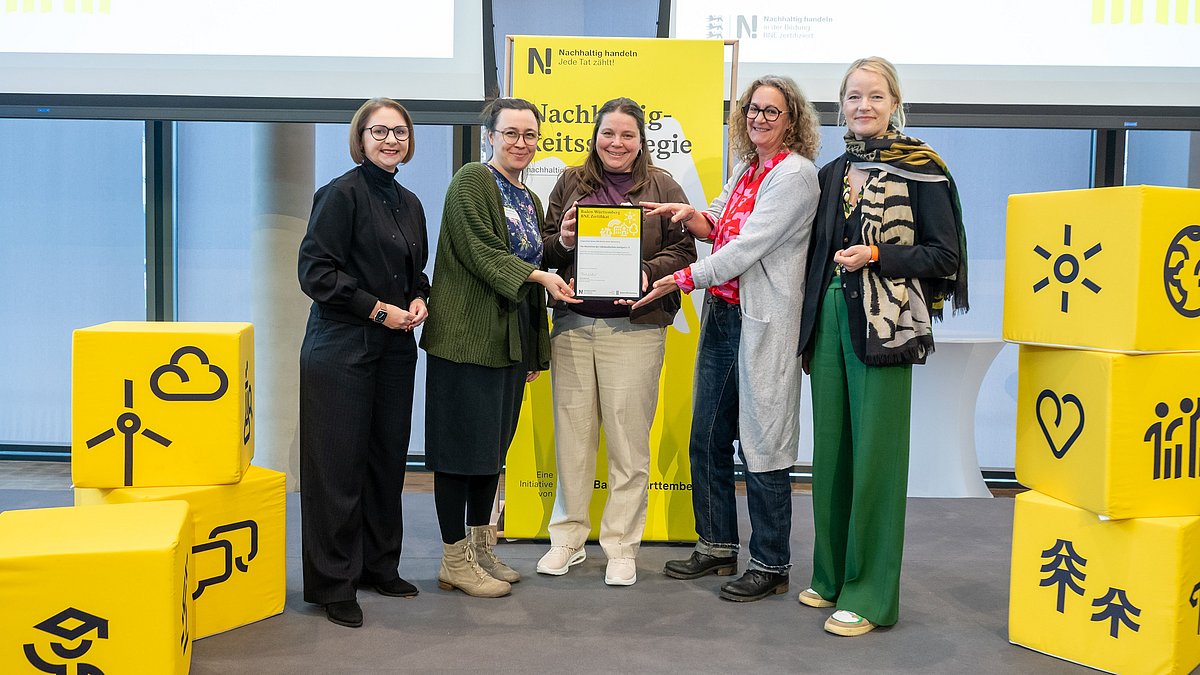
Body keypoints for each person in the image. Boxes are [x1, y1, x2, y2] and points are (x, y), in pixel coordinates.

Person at [795, 56, 969, 636]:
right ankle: (832, 575)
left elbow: (945, 257)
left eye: (874, 96)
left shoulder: (923, 169)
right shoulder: (832, 170)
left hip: (886, 328)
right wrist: (805, 332)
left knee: (876, 462)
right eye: (852, 97)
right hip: (830, 324)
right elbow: (817, 257)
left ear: (895, 102)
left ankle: (870, 596)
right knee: (833, 456)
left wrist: (877, 255)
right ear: (840, 105)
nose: (862, 106)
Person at [634, 75, 820, 602]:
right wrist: (693, 216)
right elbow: (724, 225)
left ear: (793, 121)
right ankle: (716, 544)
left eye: (772, 111)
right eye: (753, 110)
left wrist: (683, 278)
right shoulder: (746, 169)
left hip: (763, 322)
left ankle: (771, 562)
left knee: (764, 444)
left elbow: (749, 246)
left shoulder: (796, 175)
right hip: (724, 314)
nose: (759, 119)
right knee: (708, 433)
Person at [420, 97, 579, 598]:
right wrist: (543, 275)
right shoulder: (472, 180)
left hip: (507, 346)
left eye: (530, 135)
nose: (521, 143)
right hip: (466, 342)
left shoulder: (528, 198)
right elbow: (483, 253)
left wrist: (566, 243)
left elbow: (530, 255)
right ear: (490, 135)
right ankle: (453, 559)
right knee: (458, 453)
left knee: (490, 453)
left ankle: (479, 546)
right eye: (511, 133)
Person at [536, 97, 697, 586]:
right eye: (608, 133)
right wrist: (563, 241)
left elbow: (684, 249)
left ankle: (622, 546)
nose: (617, 143)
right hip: (573, 325)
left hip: (636, 328)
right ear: (596, 136)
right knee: (574, 439)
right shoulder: (570, 182)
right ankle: (567, 539)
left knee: (629, 443)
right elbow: (543, 246)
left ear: (641, 142)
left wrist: (642, 272)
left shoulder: (663, 185)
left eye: (627, 135)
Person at [297, 97, 429, 628]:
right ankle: (334, 582)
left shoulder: (410, 201)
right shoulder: (339, 194)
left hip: (395, 349)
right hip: (342, 347)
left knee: (384, 461)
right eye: (379, 131)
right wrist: (378, 311)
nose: (391, 140)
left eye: (399, 131)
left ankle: (379, 566)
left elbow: (412, 272)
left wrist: (422, 298)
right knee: (337, 468)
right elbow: (316, 272)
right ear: (360, 137)